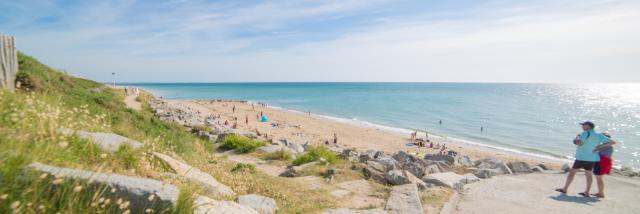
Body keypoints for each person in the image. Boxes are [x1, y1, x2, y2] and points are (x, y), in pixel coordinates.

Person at [556, 121, 611, 197]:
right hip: (592, 158)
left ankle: (565, 189)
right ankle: (587, 192)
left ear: (588, 126)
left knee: (572, 173)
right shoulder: (599, 135)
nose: (582, 127)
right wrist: (599, 147)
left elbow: (579, 143)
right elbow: (612, 142)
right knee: (588, 174)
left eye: (583, 125)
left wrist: (576, 138)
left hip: (582, 157)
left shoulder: (585, 133)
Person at [591, 132, 616, 198]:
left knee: (599, 178)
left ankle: (601, 193)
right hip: (602, 163)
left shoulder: (607, 146)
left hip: (602, 164)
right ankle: (600, 192)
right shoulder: (606, 146)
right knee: (599, 178)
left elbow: (596, 152)